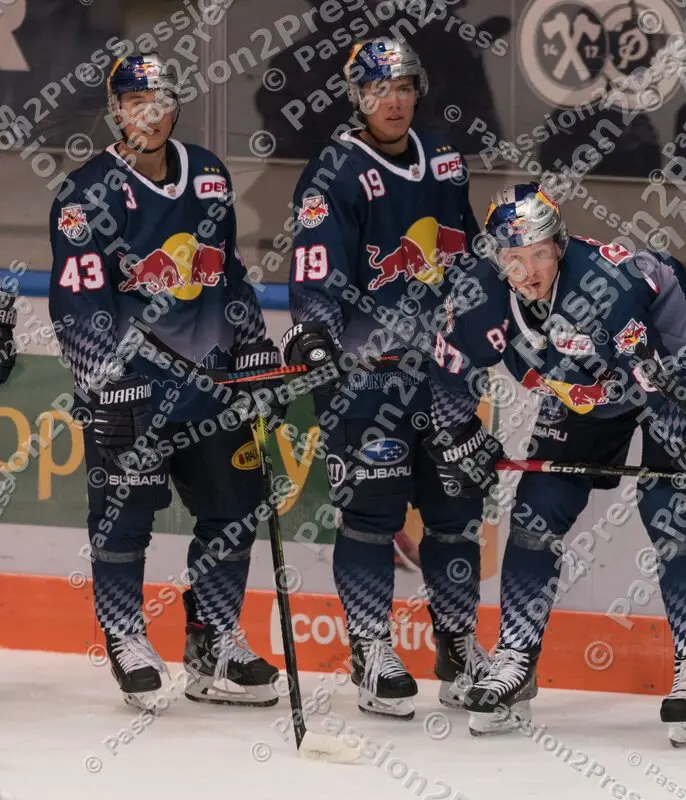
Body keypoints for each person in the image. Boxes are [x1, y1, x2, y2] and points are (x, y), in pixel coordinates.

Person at [421, 182, 686, 745]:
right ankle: (514, 661)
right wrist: (459, 435)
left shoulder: (605, 286)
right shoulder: (479, 293)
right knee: (536, 513)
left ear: (559, 245)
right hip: (586, 388)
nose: (527, 271)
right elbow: (450, 365)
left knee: (670, 512)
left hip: (676, 370)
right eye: (513, 258)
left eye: (538, 254)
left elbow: (648, 381)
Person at [48, 54, 283, 710]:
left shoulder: (207, 173)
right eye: (131, 101)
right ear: (114, 109)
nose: (144, 113)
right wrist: (104, 380)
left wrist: (256, 351)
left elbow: (227, 274)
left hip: (209, 385)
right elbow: (78, 300)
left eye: (157, 101)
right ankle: (126, 637)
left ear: (174, 107)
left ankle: (215, 642)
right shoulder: (85, 192)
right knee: (124, 519)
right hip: (132, 392)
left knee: (233, 511)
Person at [282, 36, 490, 720]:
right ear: (356, 98)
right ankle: (372, 650)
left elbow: (471, 256)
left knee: (457, 516)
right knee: (371, 515)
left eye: (402, 87)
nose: (392, 100)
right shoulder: (334, 173)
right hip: (365, 379)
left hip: (447, 375)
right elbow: (315, 270)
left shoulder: (447, 159)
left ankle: (457, 646)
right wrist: (315, 331)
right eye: (377, 89)